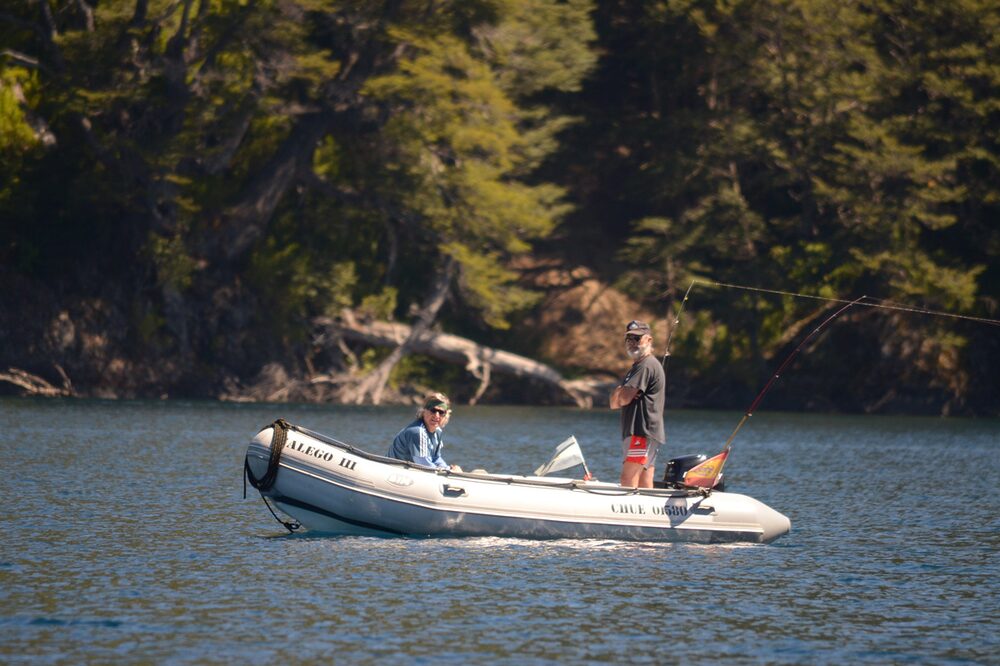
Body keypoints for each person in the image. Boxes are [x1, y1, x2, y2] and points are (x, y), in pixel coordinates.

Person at [609, 320, 666, 488]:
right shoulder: (639, 366)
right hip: (646, 432)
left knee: (628, 479)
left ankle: (626, 512)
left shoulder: (646, 365)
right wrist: (619, 394)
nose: (632, 343)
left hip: (641, 432)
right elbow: (615, 402)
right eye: (629, 339)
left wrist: (619, 392)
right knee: (644, 481)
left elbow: (622, 399)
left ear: (648, 340)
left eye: (637, 338)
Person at [387, 392, 463, 471]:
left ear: (445, 415)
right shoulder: (417, 432)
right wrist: (447, 470)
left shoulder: (437, 432)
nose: (437, 415)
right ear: (423, 411)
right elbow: (423, 464)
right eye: (433, 410)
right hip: (395, 471)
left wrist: (449, 469)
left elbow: (436, 458)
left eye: (441, 412)